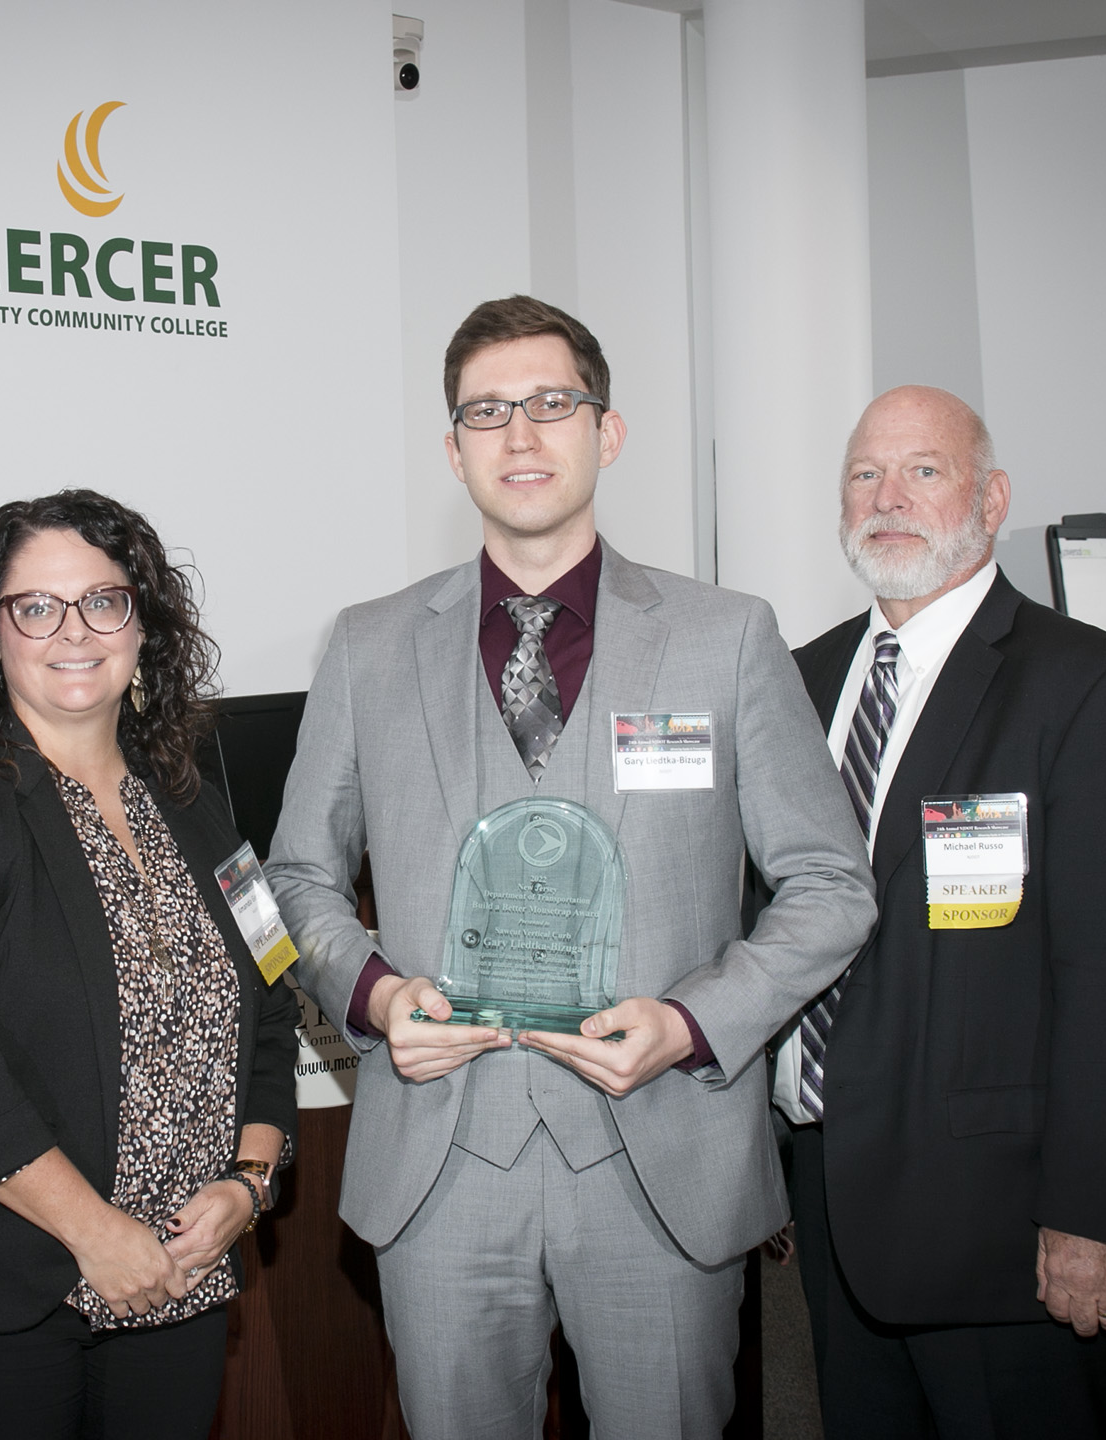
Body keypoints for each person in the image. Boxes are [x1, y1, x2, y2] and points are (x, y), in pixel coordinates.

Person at [264, 294, 877, 1438]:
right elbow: (297, 875)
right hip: (443, 1156)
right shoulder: (366, 646)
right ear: (453, 451)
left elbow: (834, 886)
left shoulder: (727, 636)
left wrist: (692, 1026)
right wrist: (376, 995)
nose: (521, 435)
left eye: (553, 403)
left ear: (609, 431)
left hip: (660, 1155)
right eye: (487, 412)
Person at [771, 385, 1106, 1438]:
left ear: (993, 497)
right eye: (864, 475)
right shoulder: (794, 683)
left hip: (1010, 1237)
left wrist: (1095, 1220)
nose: (888, 496)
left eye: (924, 469)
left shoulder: (1097, 689)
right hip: (827, 1200)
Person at [0, 489, 298, 1439]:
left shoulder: (195, 801)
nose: (74, 630)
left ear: (144, 624)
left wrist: (249, 1186)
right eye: (36, 607)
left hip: (176, 1288)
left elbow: (272, 996)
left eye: (104, 600)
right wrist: (98, 1235)